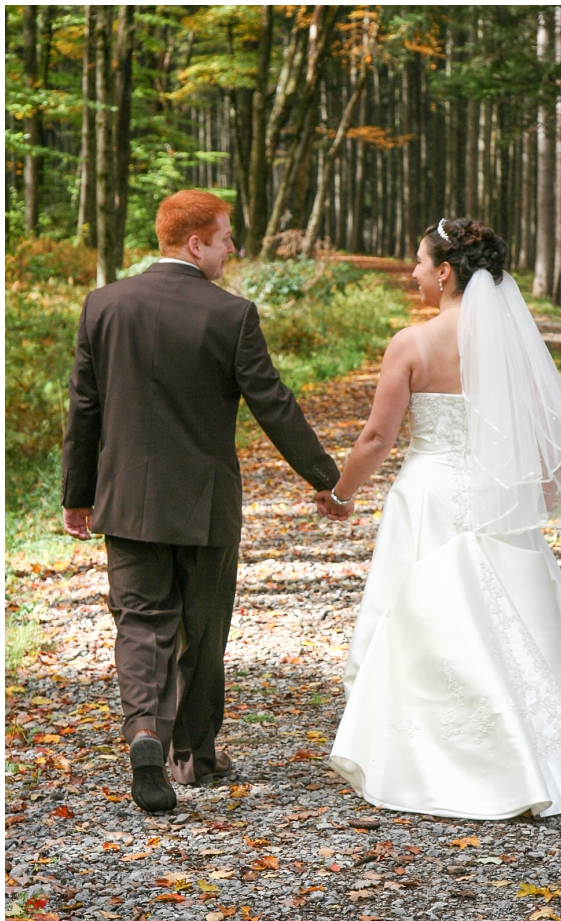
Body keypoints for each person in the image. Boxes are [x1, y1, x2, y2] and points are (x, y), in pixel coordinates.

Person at [321, 217, 561, 819]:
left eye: (417, 261)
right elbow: (536, 430)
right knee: (514, 615)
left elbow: (378, 436)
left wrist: (341, 492)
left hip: (429, 493)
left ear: (443, 271)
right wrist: (530, 491)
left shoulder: (412, 343)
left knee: (429, 621)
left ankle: (434, 756)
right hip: (495, 492)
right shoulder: (510, 341)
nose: (411, 272)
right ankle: (543, 746)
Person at [61, 190, 351, 813]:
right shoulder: (232, 315)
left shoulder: (103, 305)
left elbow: (84, 408)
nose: (232, 249)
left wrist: (76, 495)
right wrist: (323, 478)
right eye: (226, 238)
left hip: (128, 502)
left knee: (140, 622)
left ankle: (144, 733)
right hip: (205, 504)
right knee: (205, 629)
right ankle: (193, 754)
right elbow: (272, 402)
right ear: (195, 243)